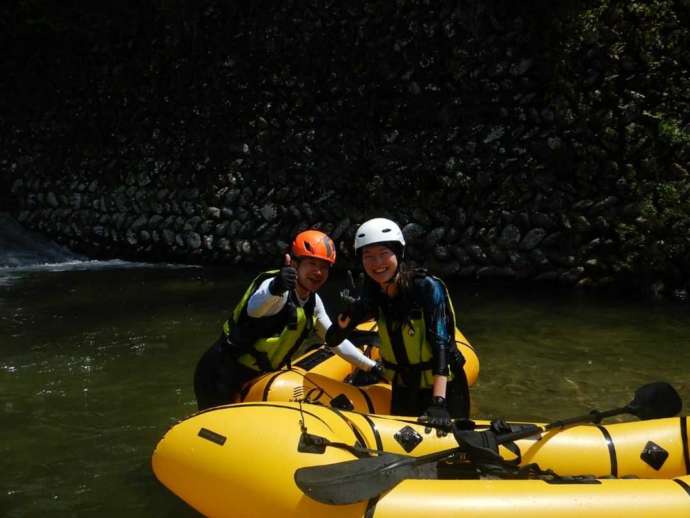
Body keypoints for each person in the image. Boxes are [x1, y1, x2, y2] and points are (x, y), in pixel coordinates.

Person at [194, 229, 382, 410]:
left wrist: (371, 366)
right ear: (293, 263)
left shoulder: (313, 302)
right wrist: (277, 287)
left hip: (258, 379)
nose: (318, 272)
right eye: (312, 264)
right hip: (221, 374)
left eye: (324, 267)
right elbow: (255, 308)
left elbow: (335, 341)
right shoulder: (275, 288)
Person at [325, 217, 470, 430]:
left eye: (384, 254)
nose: (377, 263)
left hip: (445, 387)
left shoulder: (426, 287)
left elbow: (441, 345)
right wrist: (349, 315)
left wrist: (438, 402)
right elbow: (332, 338)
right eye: (368, 256)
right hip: (404, 387)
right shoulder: (373, 295)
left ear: (398, 254)